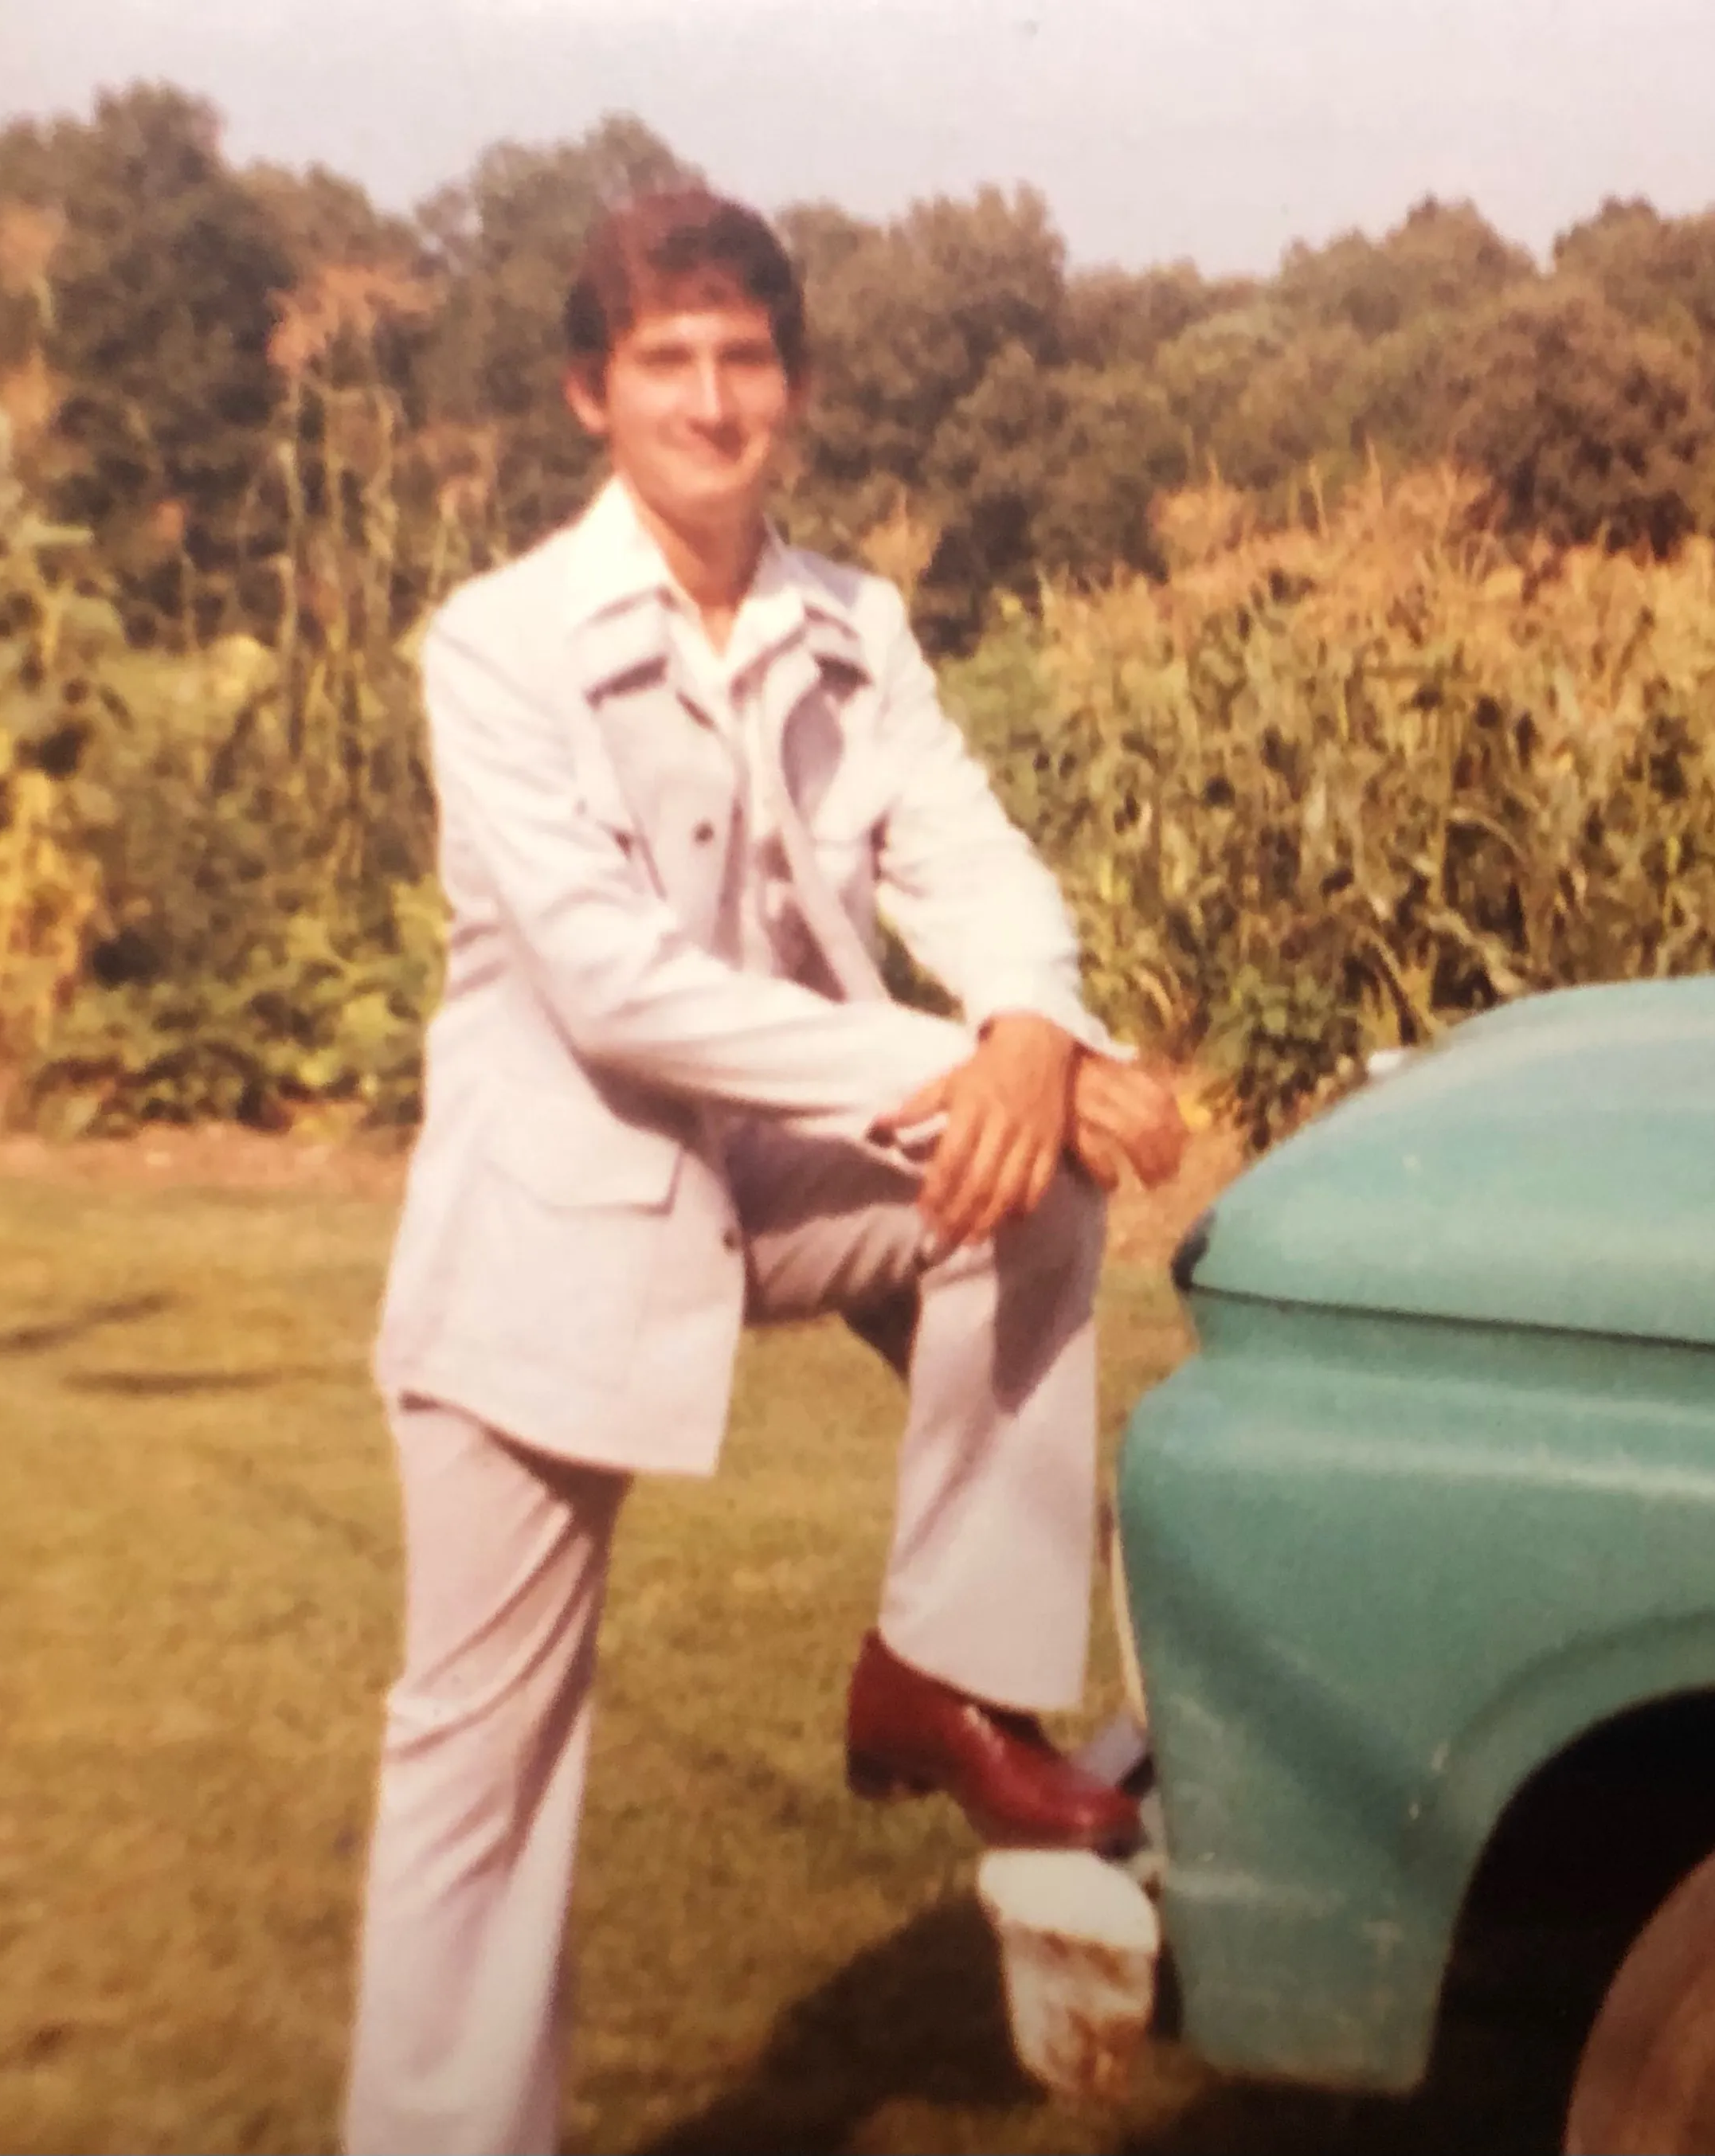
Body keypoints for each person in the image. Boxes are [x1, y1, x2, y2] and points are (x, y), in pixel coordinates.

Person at [341, 186, 1188, 2156]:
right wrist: (972, 1061)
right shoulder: (500, 644)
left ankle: (941, 1677)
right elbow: (619, 991)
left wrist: (1035, 1022)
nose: (709, 401)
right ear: (590, 392)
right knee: (487, 1758)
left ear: (790, 389)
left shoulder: (850, 621)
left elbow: (963, 857)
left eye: (744, 360)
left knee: (1039, 1189)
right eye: (665, 362)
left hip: (782, 1183)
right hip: (548, 1235)